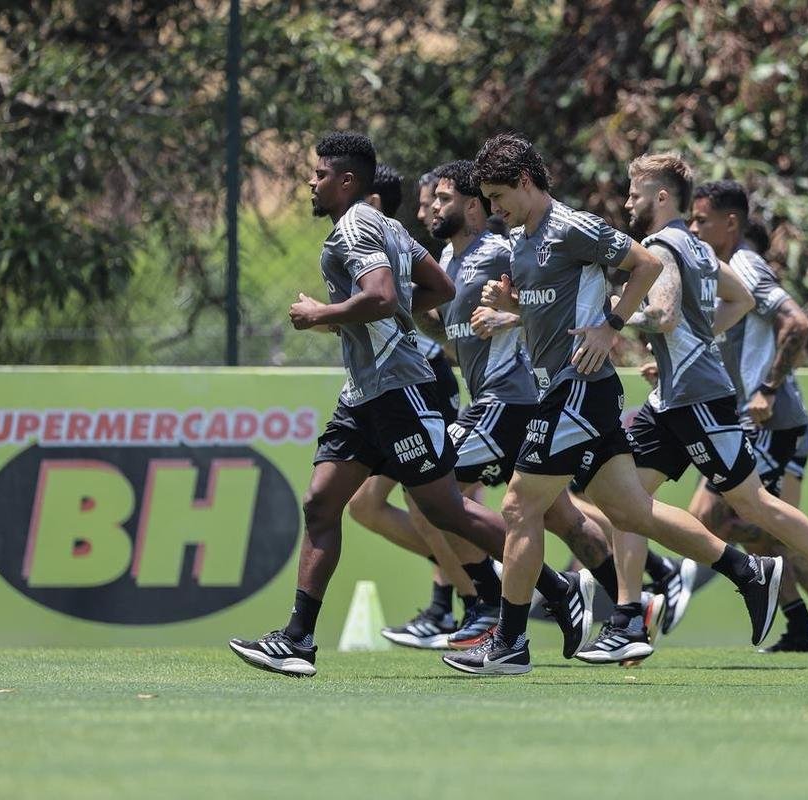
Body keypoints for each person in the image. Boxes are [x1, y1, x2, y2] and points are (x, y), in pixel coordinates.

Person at [230, 132, 591, 677]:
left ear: (347, 180)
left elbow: (381, 296)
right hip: (364, 395)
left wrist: (318, 315)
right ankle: (298, 639)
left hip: (399, 390)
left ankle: (554, 587)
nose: (311, 181)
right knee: (322, 504)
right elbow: (440, 287)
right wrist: (387, 317)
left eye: (320, 174)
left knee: (446, 509)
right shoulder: (389, 226)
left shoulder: (355, 227)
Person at [442, 134, 786, 676]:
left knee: (518, 507)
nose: (492, 207)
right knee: (632, 512)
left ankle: (510, 642)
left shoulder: (570, 226)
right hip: (568, 389)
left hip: (578, 387)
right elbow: (554, 312)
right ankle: (749, 572)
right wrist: (511, 311)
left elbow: (645, 263)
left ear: (527, 183)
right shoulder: (522, 240)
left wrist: (613, 324)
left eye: (498, 194)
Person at [607, 153, 808, 658]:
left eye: (633, 193)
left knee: (749, 504)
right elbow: (739, 302)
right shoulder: (696, 245)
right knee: (626, 501)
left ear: (661, 197)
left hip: (698, 398)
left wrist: (612, 317)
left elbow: (664, 314)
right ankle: (627, 618)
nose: (627, 202)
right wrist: (696, 338)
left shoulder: (662, 246)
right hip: (671, 399)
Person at [410, 159, 623, 649]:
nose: (432, 210)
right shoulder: (448, 261)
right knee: (562, 517)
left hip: (511, 397)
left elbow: (544, 299)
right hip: (495, 399)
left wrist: (510, 318)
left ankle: (492, 602)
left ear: (472, 206)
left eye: (442, 200)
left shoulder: (500, 250)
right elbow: (446, 327)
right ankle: (628, 601)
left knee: (433, 487)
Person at [687, 179, 808, 652]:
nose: (693, 229)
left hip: (769, 421)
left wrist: (769, 390)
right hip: (744, 418)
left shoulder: (744, 265)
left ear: (731, 222)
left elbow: (797, 323)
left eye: (701, 221)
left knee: (717, 518)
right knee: (747, 529)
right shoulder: (718, 273)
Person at [353, 162, 484, 649]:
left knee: (437, 499)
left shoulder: (393, 246)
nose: (427, 208)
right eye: (426, 201)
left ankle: (478, 598)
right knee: (372, 505)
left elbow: (409, 309)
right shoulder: (421, 249)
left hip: (422, 383)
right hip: (389, 385)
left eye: (437, 200)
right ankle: (462, 596)